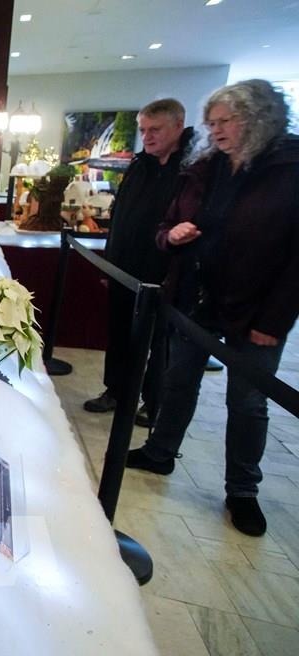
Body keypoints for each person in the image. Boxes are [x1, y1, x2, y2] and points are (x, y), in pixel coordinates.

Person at [127, 80, 299, 536]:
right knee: (177, 380)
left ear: (259, 118)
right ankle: (160, 452)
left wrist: (274, 320)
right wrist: (172, 236)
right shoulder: (205, 167)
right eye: (212, 123)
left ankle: (242, 490)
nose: (217, 130)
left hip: (256, 310)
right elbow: (166, 225)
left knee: (247, 401)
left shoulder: (289, 168)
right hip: (195, 297)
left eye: (227, 121)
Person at [84, 99, 194, 427]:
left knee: (160, 341)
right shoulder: (139, 164)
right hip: (125, 268)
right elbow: (120, 216)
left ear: (178, 125)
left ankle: (153, 401)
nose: (147, 136)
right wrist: (110, 264)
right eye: (143, 130)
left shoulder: (191, 169)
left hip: (165, 272)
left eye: (155, 129)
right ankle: (116, 390)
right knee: (119, 333)